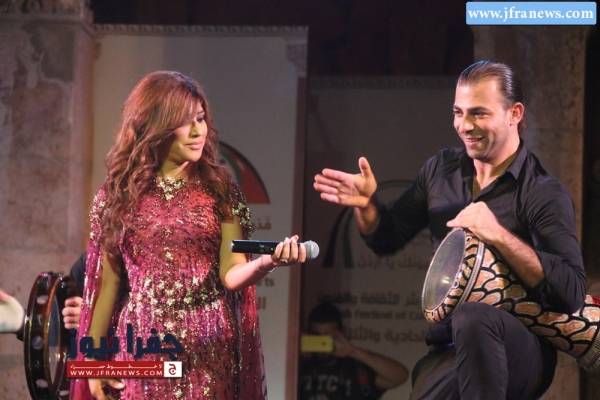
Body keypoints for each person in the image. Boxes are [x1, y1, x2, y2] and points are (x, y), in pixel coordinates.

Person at [313, 60, 586, 399]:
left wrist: (498, 234)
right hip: (449, 349)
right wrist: (366, 205)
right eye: (458, 113)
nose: (465, 125)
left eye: (479, 113)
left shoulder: (541, 191)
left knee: (474, 317)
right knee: (448, 353)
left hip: (520, 348)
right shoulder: (440, 171)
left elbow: (571, 291)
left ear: (514, 113)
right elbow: (385, 238)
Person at [71, 70, 306, 400]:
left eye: (201, 118)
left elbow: (232, 273)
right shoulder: (117, 195)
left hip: (208, 352)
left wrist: (268, 262)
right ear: (156, 126)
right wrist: (93, 361)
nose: (198, 131)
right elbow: (107, 285)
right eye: (185, 122)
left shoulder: (221, 192)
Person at [299, 302, 408, 400]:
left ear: (341, 334)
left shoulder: (355, 369)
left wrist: (353, 351)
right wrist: (293, 353)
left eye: (328, 337)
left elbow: (400, 376)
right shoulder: (297, 366)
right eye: (317, 337)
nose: (322, 343)